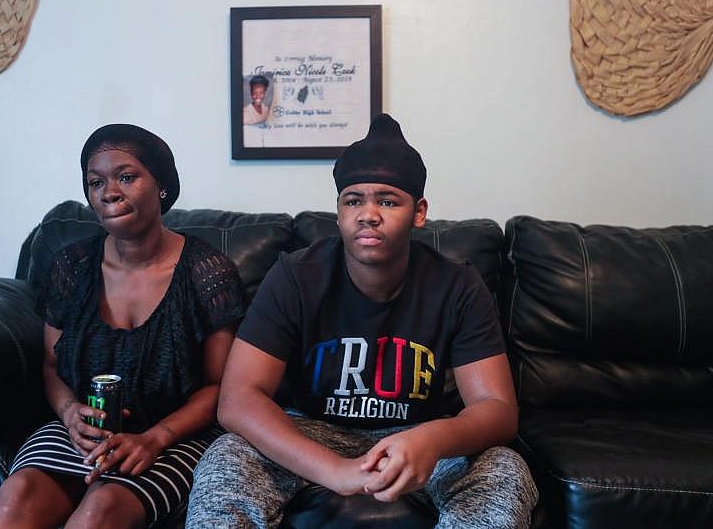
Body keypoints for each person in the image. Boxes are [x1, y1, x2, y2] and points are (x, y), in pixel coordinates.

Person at [186, 113, 538, 528]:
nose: (368, 214)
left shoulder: (458, 284)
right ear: (338, 211)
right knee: (226, 457)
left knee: (504, 469)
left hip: (417, 436)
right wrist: (335, 470)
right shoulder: (296, 276)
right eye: (353, 200)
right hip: (313, 432)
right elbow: (238, 399)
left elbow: (496, 408)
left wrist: (432, 439)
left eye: (388, 201)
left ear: (419, 212)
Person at [0, 124, 246, 528]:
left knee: (97, 513)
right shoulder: (72, 266)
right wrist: (70, 412)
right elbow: (53, 369)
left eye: (126, 176)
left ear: (161, 185)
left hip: (171, 436)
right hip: (83, 430)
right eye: (96, 182)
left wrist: (155, 437)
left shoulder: (206, 273)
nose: (109, 192)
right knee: (14, 501)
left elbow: (221, 388)